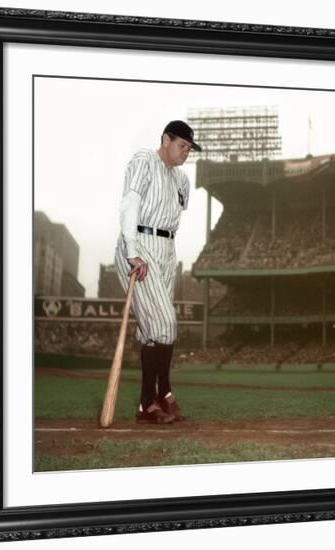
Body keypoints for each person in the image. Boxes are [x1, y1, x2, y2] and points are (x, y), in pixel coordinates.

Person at [114, 120, 201, 424]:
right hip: (141, 245)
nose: (186, 153)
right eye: (182, 146)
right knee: (165, 324)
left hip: (167, 250)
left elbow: (172, 214)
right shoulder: (144, 160)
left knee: (153, 334)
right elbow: (130, 205)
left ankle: (147, 404)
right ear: (166, 139)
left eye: (189, 149)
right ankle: (162, 392)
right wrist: (132, 252)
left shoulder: (182, 181)